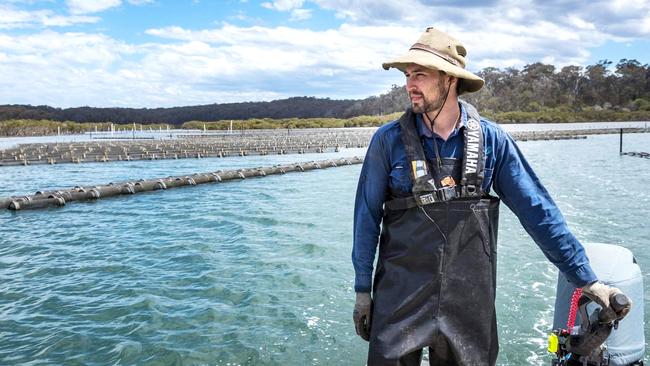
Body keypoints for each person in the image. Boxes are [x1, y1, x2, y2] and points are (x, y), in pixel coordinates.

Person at [351, 27, 631, 366]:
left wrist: (586, 279)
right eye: (408, 75)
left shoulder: (492, 142)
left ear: (450, 79)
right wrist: (363, 291)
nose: (410, 84)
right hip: (399, 298)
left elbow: (538, 212)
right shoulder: (387, 141)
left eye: (420, 75)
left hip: (468, 302)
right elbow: (366, 217)